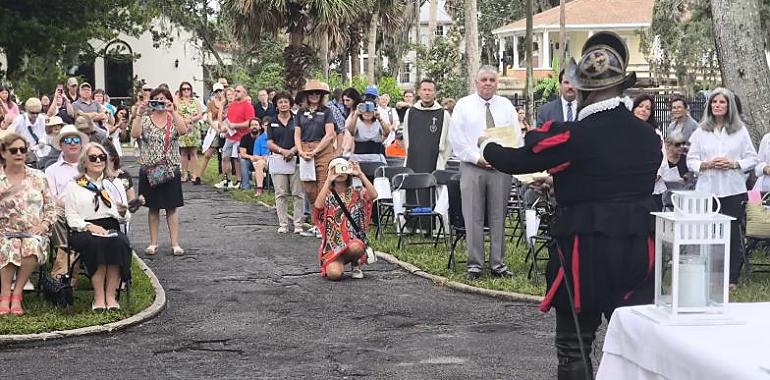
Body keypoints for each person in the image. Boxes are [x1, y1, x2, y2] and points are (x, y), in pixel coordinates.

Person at [480, 32, 662, 379]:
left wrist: (486, 144)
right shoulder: (647, 137)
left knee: (574, 344)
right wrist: (562, 182)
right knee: (639, 346)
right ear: (622, 85)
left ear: (580, 88)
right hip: (640, 249)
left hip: (586, 250)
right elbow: (611, 177)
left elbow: (515, 160)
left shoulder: (574, 135)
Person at [450, 66, 519, 280]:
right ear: (476, 81)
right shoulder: (464, 105)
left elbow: (515, 136)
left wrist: (506, 159)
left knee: (499, 216)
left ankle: (498, 264)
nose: (488, 83)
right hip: (472, 167)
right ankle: (475, 265)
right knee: (473, 216)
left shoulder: (506, 106)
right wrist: (476, 158)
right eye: (483, 79)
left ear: (497, 83)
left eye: (492, 79)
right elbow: (457, 138)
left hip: (500, 168)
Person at [687, 87, 757, 287]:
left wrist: (734, 164)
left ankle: (730, 277)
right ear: (710, 106)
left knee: (731, 233)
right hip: (707, 189)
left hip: (732, 189)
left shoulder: (740, 131)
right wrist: (706, 164)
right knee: (706, 232)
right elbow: (691, 160)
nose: (717, 105)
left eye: (722, 102)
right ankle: (707, 274)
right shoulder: (701, 131)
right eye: (714, 102)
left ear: (729, 106)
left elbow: (752, 158)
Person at [65, 142, 132, 311]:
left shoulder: (113, 185)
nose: (98, 161)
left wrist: (123, 212)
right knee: (97, 243)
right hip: (83, 228)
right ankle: (99, 296)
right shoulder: (74, 186)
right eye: (93, 158)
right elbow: (71, 216)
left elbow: (124, 218)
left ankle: (111, 295)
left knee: (119, 242)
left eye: (101, 157)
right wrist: (88, 226)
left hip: (110, 225)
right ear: (84, 162)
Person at [0, 133, 58, 316]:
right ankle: (4, 294)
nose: (19, 153)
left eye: (23, 150)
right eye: (14, 150)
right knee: (8, 246)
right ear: (3, 153)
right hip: (4, 231)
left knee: (31, 246)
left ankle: (17, 294)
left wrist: (43, 225)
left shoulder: (38, 177)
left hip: (33, 232)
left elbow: (51, 207)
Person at [131, 86, 188, 256]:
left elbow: (183, 131)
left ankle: (175, 243)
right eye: (157, 99)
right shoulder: (146, 120)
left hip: (170, 168)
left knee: (171, 208)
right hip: (150, 169)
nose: (160, 102)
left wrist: (174, 111)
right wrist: (139, 113)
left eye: (164, 99)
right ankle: (153, 243)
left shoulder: (172, 118)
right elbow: (134, 134)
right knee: (153, 208)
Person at [314, 158, 377, 280]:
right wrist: (328, 179)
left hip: (352, 242)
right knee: (334, 275)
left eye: (343, 168)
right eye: (336, 169)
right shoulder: (327, 193)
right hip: (334, 246)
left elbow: (374, 195)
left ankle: (355, 263)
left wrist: (360, 174)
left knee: (356, 246)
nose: (340, 173)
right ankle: (339, 263)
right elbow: (318, 206)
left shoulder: (357, 191)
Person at [44, 124, 89, 283]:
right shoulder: (51, 170)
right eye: (68, 140)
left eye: (76, 139)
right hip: (61, 209)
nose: (72, 143)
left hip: (87, 211)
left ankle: (63, 266)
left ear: (81, 144)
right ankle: (66, 254)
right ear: (61, 145)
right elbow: (50, 197)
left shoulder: (89, 167)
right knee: (54, 215)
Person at [294, 79, 336, 238]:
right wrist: (300, 151)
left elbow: (330, 134)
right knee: (309, 190)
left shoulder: (326, 111)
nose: (314, 95)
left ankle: (325, 225)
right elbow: (297, 134)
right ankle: (316, 223)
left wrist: (316, 150)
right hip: (305, 151)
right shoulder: (300, 112)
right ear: (306, 95)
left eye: (317, 93)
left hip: (323, 151)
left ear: (321, 95)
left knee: (322, 189)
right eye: (311, 93)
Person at [267, 91, 305, 234]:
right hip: (279, 160)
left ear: (290, 103)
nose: (283, 104)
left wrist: (293, 151)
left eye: (285, 101)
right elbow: (269, 142)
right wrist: (282, 151)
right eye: (280, 102)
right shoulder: (272, 121)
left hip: (295, 159)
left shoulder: (297, 119)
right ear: (276, 104)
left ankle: (298, 224)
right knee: (280, 193)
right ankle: (283, 223)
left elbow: (302, 138)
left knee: (298, 193)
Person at [402, 79, 453, 173]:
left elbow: (448, 141)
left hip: (435, 162)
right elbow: (406, 136)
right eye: (424, 90)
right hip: (413, 160)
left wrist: (443, 160)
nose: (427, 93)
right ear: (419, 92)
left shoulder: (443, 114)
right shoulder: (410, 112)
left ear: (435, 93)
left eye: (430, 90)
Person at [219, 85, 255, 189]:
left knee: (237, 159)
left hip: (242, 137)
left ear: (244, 93)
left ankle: (240, 180)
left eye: (238, 91)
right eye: (235, 91)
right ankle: (227, 179)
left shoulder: (248, 106)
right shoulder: (232, 105)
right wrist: (226, 128)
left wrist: (235, 126)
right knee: (225, 156)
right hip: (230, 135)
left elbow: (250, 122)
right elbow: (229, 120)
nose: (236, 93)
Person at [193, 83, 226, 185]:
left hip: (226, 128)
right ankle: (198, 176)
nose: (219, 93)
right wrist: (215, 127)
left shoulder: (227, 101)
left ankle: (225, 178)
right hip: (215, 129)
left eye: (220, 90)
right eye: (217, 91)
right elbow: (210, 118)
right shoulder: (211, 103)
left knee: (225, 155)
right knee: (207, 154)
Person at [346, 98, 390, 165]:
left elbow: (387, 132)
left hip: (376, 157)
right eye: (365, 110)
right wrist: (356, 114)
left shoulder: (378, 122)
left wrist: (379, 118)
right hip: (359, 157)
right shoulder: (357, 122)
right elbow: (351, 131)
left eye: (370, 110)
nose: (367, 113)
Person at [176, 81, 203, 182]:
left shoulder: (195, 101)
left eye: (188, 89)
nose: (186, 91)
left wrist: (191, 120)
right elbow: (176, 113)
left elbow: (200, 114)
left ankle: (194, 174)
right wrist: (183, 121)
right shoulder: (178, 101)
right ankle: (184, 174)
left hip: (193, 128)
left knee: (193, 152)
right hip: (182, 127)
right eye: (184, 89)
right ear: (181, 90)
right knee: (183, 152)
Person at [8, 97, 47, 165]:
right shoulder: (19, 120)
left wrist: (40, 144)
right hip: (24, 153)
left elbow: (44, 134)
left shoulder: (41, 118)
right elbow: (9, 136)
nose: (35, 115)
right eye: (32, 113)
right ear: (27, 110)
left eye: (37, 113)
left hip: (40, 152)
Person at [239, 117, 270, 194]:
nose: (254, 126)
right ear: (249, 127)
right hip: (252, 159)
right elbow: (242, 154)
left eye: (256, 125)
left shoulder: (269, 136)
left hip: (268, 159)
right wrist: (251, 157)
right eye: (252, 125)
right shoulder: (245, 138)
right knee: (243, 161)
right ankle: (246, 186)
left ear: (260, 127)